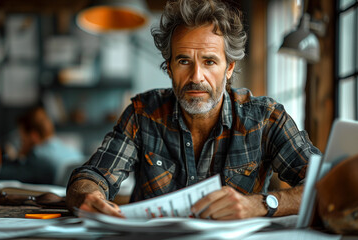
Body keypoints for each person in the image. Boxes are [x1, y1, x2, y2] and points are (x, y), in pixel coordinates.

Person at [66, 0, 321, 220]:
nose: (196, 76)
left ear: (229, 68)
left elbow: (325, 183)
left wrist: (261, 204)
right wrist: (89, 196)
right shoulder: (143, 113)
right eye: (184, 61)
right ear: (169, 68)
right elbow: (93, 175)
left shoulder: (266, 118)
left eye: (209, 61)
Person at [0, 107, 83, 185]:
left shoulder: (37, 155)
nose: (21, 144)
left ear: (33, 136)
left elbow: (1, 175)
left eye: (22, 139)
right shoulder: (71, 150)